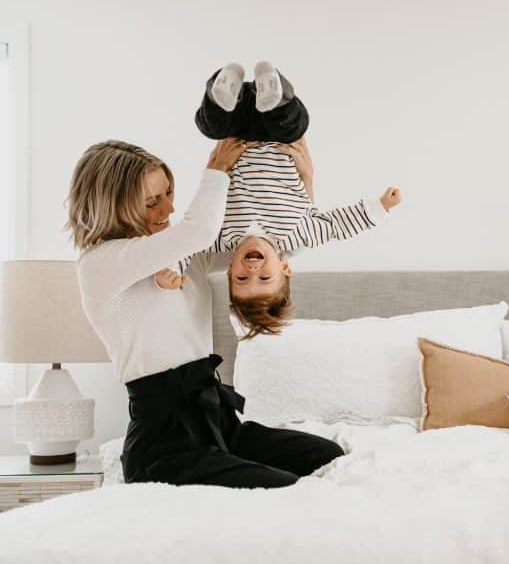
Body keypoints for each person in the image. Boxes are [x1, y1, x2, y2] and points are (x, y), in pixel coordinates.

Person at [68, 139, 343, 488]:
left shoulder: (184, 254)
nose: (168, 209)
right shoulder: (99, 264)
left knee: (328, 457)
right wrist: (216, 171)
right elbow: (198, 230)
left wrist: (305, 180)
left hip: (219, 424)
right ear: (112, 206)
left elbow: (276, 247)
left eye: (168, 193)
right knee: (285, 488)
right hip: (164, 445)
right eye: (152, 201)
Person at [160, 62, 402, 338]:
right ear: (285, 268)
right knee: (293, 124)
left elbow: (187, 244)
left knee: (210, 125)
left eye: (241, 278)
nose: (252, 269)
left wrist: (170, 268)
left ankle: (224, 87)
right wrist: (381, 207)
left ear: (229, 271)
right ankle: (274, 92)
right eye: (264, 278)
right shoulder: (298, 236)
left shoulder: (220, 237)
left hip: (236, 129)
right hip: (277, 138)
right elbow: (338, 226)